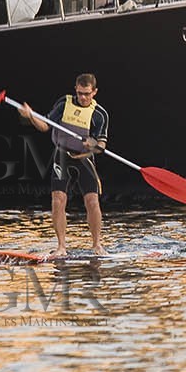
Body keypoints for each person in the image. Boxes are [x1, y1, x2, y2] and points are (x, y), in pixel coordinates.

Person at [19, 72, 109, 257]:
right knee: (58, 200)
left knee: (92, 201)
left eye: (87, 94)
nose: (83, 97)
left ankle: (97, 245)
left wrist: (92, 145)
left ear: (94, 92)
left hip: (84, 159)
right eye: (80, 93)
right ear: (75, 89)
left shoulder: (100, 114)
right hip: (62, 155)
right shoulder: (64, 103)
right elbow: (44, 126)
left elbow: (101, 146)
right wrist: (30, 116)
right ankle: (61, 247)